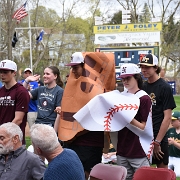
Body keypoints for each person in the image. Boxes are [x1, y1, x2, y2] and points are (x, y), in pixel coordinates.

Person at [63, 52, 105, 179]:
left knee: (88, 175)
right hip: (72, 141)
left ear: (85, 67)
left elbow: (95, 120)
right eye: (72, 68)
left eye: (76, 67)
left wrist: (72, 135)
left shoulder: (97, 88)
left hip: (90, 143)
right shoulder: (72, 86)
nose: (73, 71)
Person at [139, 53, 176, 168]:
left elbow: (167, 117)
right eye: (142, 67)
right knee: (143, 172)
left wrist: (157, 142)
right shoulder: (143, 87)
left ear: (156, 67)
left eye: (147, 67)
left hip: (158, 136)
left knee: (162, 172)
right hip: (144, 136)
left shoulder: (164, 87)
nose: (144, 70)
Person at [116, 63, 152, 180]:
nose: (125, 81)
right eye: (123, 78)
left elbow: (144, 127)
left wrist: (128, 118)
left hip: (139, 149)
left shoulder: (144, 98)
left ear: (136, 77)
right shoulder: (121, 96)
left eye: (128, 78)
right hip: (122, 148)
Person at [0, 60, 30, 144]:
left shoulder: (21, 91)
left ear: (14, 73)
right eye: (1, 72)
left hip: (14, 139)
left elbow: (18, 119)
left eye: (5, 72)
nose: (2, 74)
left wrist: (3, 134)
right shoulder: (1, 91)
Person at [167, 111, 180, 177]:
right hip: (169, 157)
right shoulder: (170, 130)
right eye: (171, 120)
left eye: (174, 120)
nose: (171, 122)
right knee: (161, 173)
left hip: (179, 158)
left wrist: (174, 143)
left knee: (177, 175)